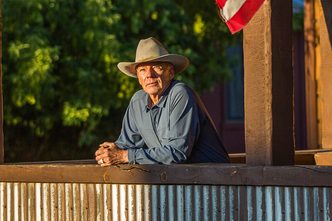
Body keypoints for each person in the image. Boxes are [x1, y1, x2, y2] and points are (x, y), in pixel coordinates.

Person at [94, 37, 230, 166]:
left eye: (156, 67)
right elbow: (127, 144)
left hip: (216, 181)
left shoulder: (180, 93)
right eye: (142, 70)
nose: (149, 75)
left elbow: (177, 153)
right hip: (182, 182)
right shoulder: (138, 101)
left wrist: (124, 156)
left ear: (170, 72)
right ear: (138, 78)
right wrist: (109, 151)